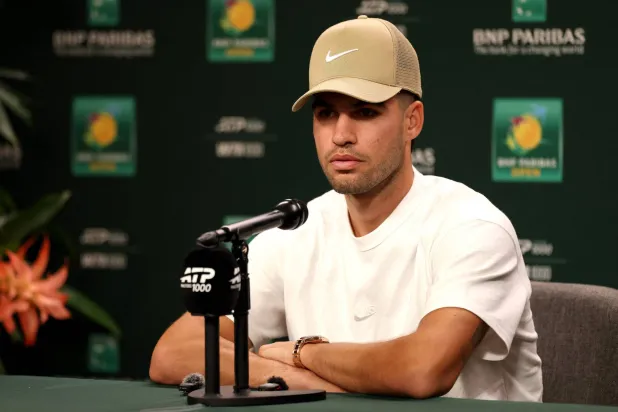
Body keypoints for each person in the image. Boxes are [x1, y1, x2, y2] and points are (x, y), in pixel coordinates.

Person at [149, 15, 543, 401]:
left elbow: (422, 370)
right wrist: (295, 379)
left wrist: (306, 352)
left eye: (365, 112)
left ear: (413, 121)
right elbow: (174, 353)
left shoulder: (472, 227)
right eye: (326, 114)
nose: (341, 135)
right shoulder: (296, 231)